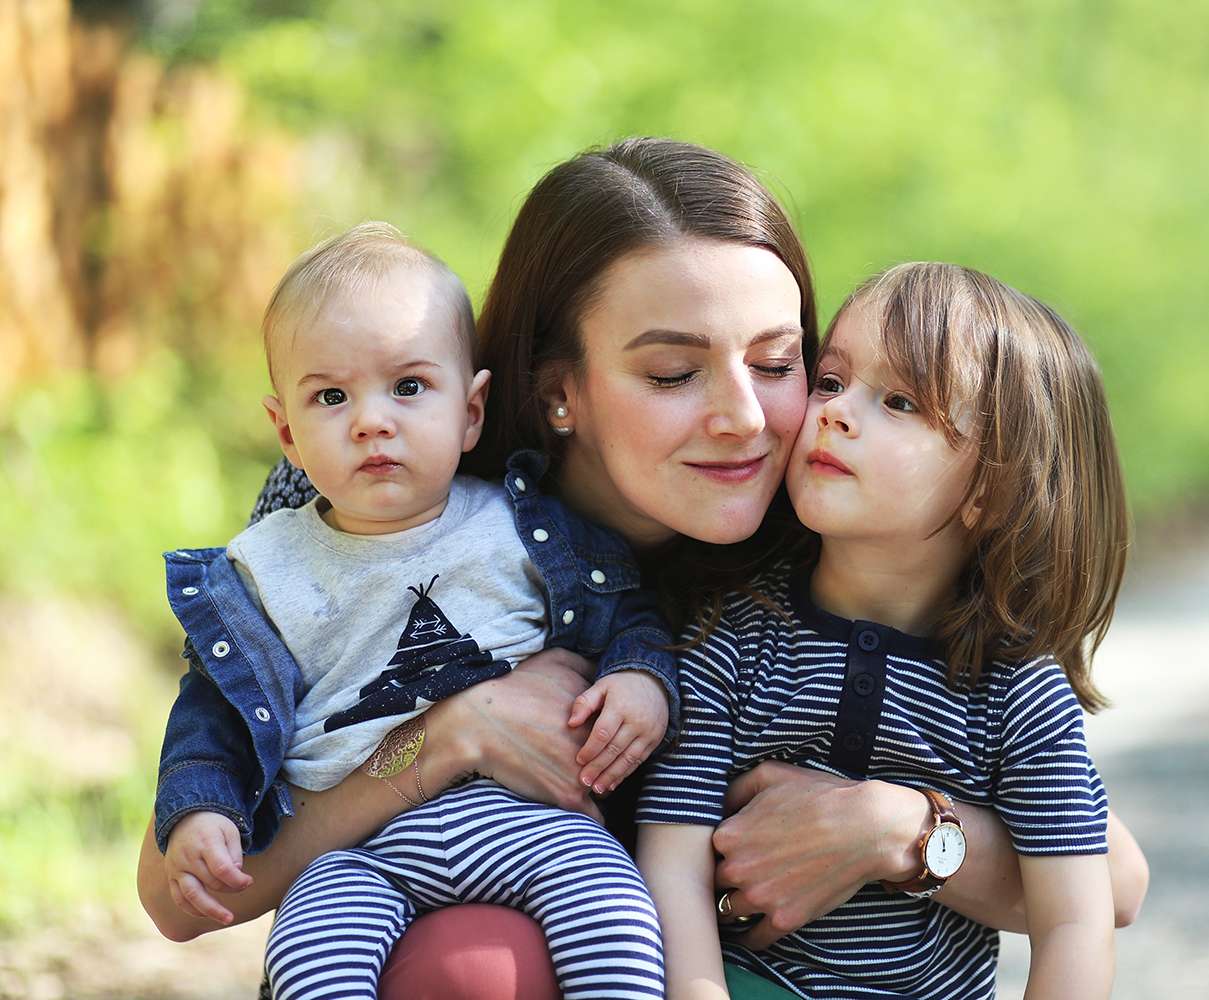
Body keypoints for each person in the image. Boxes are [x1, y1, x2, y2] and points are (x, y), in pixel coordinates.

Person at [136, 138, 1148, 999]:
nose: (746, 419)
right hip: (485, 915)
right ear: (554, 391)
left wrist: (896, 827)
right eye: (671, 373)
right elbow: (177, 897)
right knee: (474, 964)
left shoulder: (836, 525)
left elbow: (1120, 880)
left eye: (777, 360)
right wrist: (442, 740)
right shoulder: (384, 490)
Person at [154, 222, 672, 998]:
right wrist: (199, 811)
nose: (371, 419)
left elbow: (625, 616)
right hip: (359, 853)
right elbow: (212, 719)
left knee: (616, 919)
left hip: (533, 822)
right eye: (331, 396)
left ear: (472, 411)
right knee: (310, 957)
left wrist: (640, 680)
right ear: (286, 433)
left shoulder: (521, 526)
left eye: (408, 387)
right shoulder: (263, 569)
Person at [637, 262, 1125, 1000]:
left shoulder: (1017, 689)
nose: (834, 412)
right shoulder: (732, 633)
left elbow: (1078, 921)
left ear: (991, 490)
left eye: (899, 402)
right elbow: (669, 861)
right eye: (830, 382)